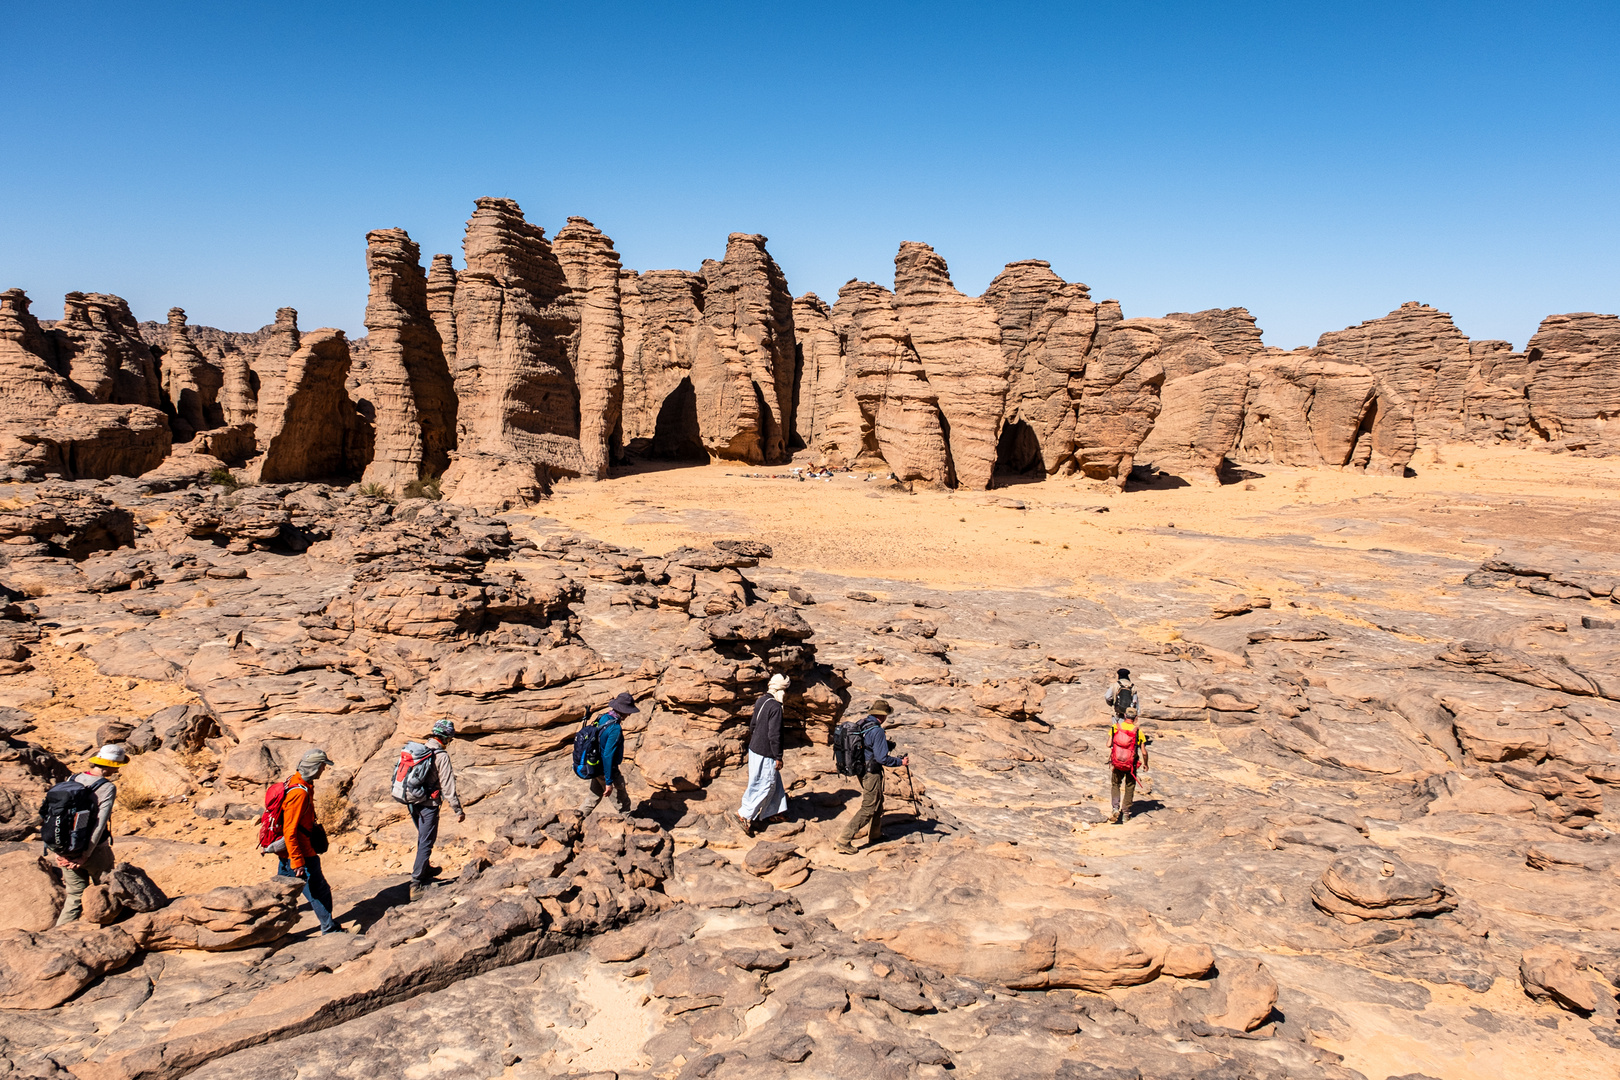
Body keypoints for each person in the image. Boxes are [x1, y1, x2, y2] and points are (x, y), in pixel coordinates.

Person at [52, 745, 126, 925]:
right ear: (109, 765)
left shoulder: (73, 778)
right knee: (109, 890)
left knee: (75, 896)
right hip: (95, 851)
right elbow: (100, 823)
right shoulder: (107, 787)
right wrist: (85, 855)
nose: (117, 769)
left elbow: (57, 816)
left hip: (67, 848)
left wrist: (60, 852)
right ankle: (110, 932)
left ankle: (58, 935)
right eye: (117, 766)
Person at [833, 699, 908, 855]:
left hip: (861, 769)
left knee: (878, 801)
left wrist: (885, 745)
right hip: (871, 772)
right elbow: (882, 759)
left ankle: (875, 834)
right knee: (869, 807)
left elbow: (867, 745)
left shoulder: (863, 723)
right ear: (882, 716)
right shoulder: (878, 730)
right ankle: (843, 840)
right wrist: (900, 762)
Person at [277, 748, 340, 933]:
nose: (323, 770)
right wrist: (297, 862)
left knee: (282, 893)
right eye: (322, 766)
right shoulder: (300, 793)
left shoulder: (295, 781)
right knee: (319, 891)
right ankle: (330, 929)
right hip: (301, 853)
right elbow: (290, 830)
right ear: (314, 767)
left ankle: (274, 929)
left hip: (287, 852)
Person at [410, 719, 465, 901]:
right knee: (426, 842)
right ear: (447, 737)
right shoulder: (441, 756)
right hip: (429, 805)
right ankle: (416, 884)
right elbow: (448, 786)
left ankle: (424, 869)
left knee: (422, 838)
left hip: (412, 802)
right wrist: (457, 809)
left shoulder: (419, 750)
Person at [737, 674, 789, 836]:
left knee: (774, 782)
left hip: (755, 748)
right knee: (763, 784)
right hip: (766, 752)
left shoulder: (761, 700)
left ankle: (772, 811)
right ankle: (744, 815)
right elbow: (775, 735)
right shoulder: (776, 707)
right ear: (782, 689)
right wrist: (778, 756)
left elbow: (753, 724)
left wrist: (756, 740)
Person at [590, 693, 637, 814]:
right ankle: (629, 827)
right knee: (623, 803)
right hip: (607, 769)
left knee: (592, 799)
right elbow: (608, 755)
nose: (630, 714)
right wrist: (609, 782)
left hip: (595, 764)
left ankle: (575, 820)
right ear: (623, 710)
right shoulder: (615, 728)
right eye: (628, 711)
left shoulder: (603, 717)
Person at [1107, 706, 1150, 824]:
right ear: (1135, 718)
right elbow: (1144, 752)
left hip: (1117, 763)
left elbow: (1108, 744)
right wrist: (1146, 764)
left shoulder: (1116, 727)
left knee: (1115, 784)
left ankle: (1115, 808)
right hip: (1131, 765)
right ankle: (1125, 814)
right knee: (1129, 787)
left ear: (1125, 716)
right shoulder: (1138, 732)